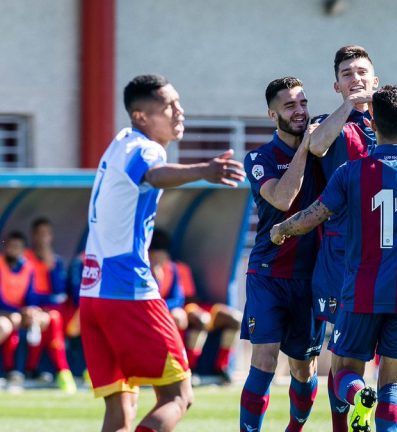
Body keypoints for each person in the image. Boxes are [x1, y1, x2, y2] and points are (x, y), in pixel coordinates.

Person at [271, 85, 397, 432]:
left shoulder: (351, 173)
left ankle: (358, 396)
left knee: (346, 372)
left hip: (361, 294)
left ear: (372, 124)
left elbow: (313, 215)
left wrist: (282, 230)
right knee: (392, 385)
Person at [79, 73, 245, 432]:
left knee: (120, 412)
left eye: (178, 103)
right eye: (168, 106)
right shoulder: (146, 148)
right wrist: (205, 170)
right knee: (178, 397)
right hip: (129, 292)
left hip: (92, 294)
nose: (179, 112)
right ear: (141, 117)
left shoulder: (120, 143)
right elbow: (153, 174)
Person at [240, 76, 325, 432]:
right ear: (271, 113)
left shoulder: (325, 154)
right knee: (263, 359)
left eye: (303, 103)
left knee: (304, 369)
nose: (300, 111)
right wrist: (305, 147)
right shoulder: (259, 158)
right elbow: (282, 199)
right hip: (268, 273)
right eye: (290, 105)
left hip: (310, 277)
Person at [306, 46, 379, 431]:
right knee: (342, 347)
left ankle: (374, 414)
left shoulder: (392, 122)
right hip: (339, 250)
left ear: (376, 80)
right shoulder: (327, 122)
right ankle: (349, 419)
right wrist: (349, 107)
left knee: (393, 354)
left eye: (362, 72)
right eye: (347, 74)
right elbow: (316, 147)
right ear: (337, 85)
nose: (355, 78)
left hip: (386, 251)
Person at [148, 229, 241, 383]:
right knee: (192, 318)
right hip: (167, 312)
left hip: (186, 307)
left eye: (162, 256)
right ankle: (188, 369)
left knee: (235, 319)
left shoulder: (177, 269)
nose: (160, 260)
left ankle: (222, 368)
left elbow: (187, 297)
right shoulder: (143, 271)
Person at [0, 231, 76, 393]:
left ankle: (35, 370)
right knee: (6, 324)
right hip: (5, 312)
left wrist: (32, 309)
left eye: (18, 247)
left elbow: (30, 295)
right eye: (11, 246)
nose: (14, 250)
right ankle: (7, 370)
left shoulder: (27, 267)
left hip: (19, 312)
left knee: (46, 319)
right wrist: (19, 311)